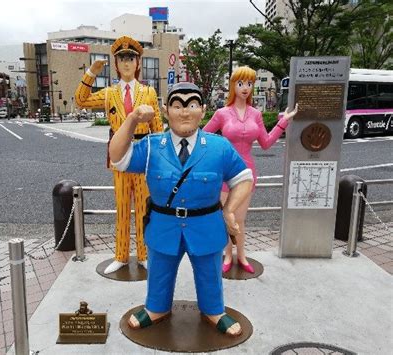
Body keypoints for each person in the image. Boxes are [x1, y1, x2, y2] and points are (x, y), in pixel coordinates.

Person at [109, 82, 253, 337]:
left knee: (210, 272)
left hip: (206, 224)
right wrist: (132, 119)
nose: (185, 112)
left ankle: (214, 310)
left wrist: (229, 210)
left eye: (192, 105)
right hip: (164, 225)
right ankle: (156, 307)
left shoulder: (219, 147)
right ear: (166, 111)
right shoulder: (153, 146)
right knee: (160, 270)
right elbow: (118, 158)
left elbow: (243, 178)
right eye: (177, 105)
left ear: (203, 110)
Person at [75, 36, 164, 274]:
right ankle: (121, 255)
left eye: (131, 58)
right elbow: (80, 100)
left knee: (145, 208)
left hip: (144, 153)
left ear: (138, 63)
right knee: (123, 206)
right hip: (119, 153)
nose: (126, 63)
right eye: (122, 58)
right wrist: (90, 73)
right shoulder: (109, 94)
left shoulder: (149, 92)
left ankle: (145, 254)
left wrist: (161, 159)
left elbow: (158, 128)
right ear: (116, 64)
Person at [203, 66, 298, 273]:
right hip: (225, 173)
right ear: (232, 86)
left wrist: (284, 122)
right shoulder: (221, 113)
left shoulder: (256, 114)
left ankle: (242, 256)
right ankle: (228, 255)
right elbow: (203, 136)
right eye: (240, 83)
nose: (245, 88)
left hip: (247, 173)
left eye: (249, 84)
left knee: (240, 219)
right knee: (226, 217)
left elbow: (265, 142)